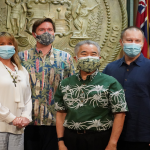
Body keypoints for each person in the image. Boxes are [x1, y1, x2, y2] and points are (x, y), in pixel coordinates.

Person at [54, 40, 128, 150]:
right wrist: (60, 141)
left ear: (99, 58)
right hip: (71, 138)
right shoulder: (65, 83)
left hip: (100, 139)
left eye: (93, 54)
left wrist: (112, 143)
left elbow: (120, 114)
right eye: (84, 54)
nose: (89, 57)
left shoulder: (111, 82)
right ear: (76, 58)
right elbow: (60, 114)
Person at [19, 18, 74, 150]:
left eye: (49, 30)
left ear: (54, 33)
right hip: (28, 122)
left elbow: (71, 89)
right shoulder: (21, 57)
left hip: (56, 123)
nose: (46, 32)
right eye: (42, 30)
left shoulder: (65, 58)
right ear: (34, 34)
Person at [103, 26, 150, 150]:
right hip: (113, 135)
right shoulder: (110, 68)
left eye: (137, 41)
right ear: (121, 42)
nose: (133, 44)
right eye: (129, 40)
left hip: (142, 135)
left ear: (143, 43)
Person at [0, 32, 32, 150]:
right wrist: (11, 119)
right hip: (1, 127)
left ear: (14, 46)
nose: (6, 47)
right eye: (1, 44)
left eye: (9, 43)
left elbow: (27, 97)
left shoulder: (21, 70)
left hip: (18, 128)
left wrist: (25, 117)